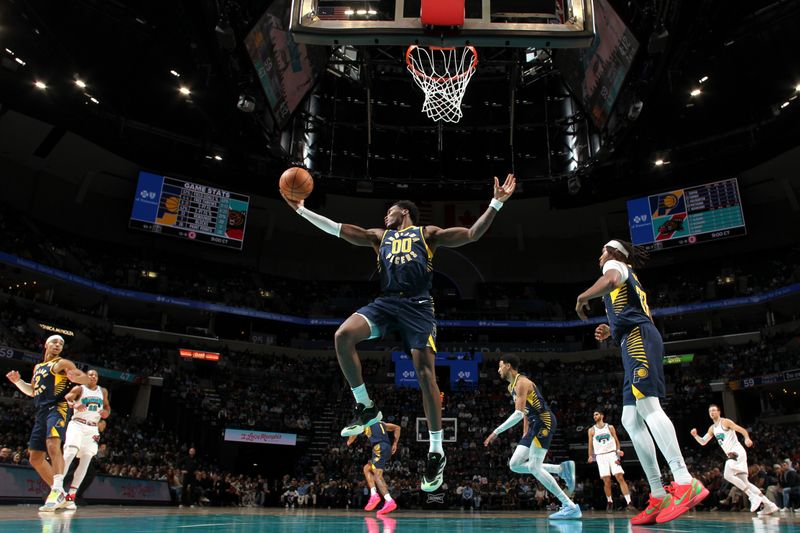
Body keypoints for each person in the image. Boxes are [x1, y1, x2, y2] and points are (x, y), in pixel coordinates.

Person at [282, 174, 516, 492]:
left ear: (403, 211)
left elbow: (472, 234)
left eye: (389, 211)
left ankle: (436, 451)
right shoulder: (379, 237)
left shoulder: (427, 234)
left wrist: (496, 203)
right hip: (386, 303)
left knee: (425, 374)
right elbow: (337, 229)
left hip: (418, 307)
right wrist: (300, 210)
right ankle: (365, 405)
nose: (384, 216)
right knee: (342, 336)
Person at [576, 240, 708, 525]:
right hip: (630, 340)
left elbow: (609, 278)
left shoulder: (615, 265)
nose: (599, 256)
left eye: (602, 250)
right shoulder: (627, 276)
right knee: (629, 418)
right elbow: (627, 310)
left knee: (649, 408)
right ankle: (659, 493)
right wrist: (610, 329)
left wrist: (582, 297)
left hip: (639, 340)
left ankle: (686, 481)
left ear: (612, 252)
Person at [483, 355, 580, 520]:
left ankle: (569, 506)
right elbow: (526, 412)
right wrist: (524, 433)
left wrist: (496, 432)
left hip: (544, 421)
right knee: (514, 464)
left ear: (508, 366)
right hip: (534, 425)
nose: (498, 370)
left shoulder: (522, 383)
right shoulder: (510, 387)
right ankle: (560, 469)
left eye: (500, 366)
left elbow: (518, 414)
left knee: (535, 467)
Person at [5, 334, 90, 511]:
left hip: (58, 407)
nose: (58, 344)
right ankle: (61, 494)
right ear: (46, 345)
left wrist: (77, 378)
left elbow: (85, 379)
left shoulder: (62, 363)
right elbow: (33, 392)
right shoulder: (38, 367)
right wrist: (18, 382)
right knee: (35, 457)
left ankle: (57, 490)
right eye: (54, 341)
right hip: (41, 411)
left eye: (61, 343)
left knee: (53, 444)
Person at [690, 404, 779, 515]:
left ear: (719, 412)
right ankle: (769, 505)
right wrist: (695, 435)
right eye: (710, 411)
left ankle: (752, 497)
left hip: (737, 451)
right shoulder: (712, 428)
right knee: (746, 482)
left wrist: (747, 438)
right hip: (732, 455)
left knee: (727, 474)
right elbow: (703, 442)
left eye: (713, 410)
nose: (711, 412)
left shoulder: (725, 422)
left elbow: (741, 429)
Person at [60, 369, 109, 509]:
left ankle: (71, 496)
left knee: (86, 460)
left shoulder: (103, 391)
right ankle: (56, 490)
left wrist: (106, 413)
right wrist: (74, 404)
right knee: (70, 453)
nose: (93, 376)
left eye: (96, 375)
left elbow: (107, 407)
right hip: (77, 424)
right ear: (85, 377)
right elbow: (68, 397)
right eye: (90, 374)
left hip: (92, 428)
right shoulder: (79, 388)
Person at [347, 421, 401, 515]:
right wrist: (395, 443)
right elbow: (397, 427)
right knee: (367, 468)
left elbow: (354, 434)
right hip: (386, 448)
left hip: (379, 447)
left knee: (377, 475)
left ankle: (389, 500)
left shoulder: (365, 423)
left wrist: (348, 441)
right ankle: (374, 494)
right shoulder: (381, 423)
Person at [587, 410, 633, 511]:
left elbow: (616, 441)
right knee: (607, 480)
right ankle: (609, 501)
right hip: (600, 456)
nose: (594, 416)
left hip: (612, 454)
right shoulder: (591, 430)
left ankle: (629, 502)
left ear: (602, 416)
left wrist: (618, 450)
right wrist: (590, 455)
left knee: (620, 477)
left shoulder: (610, 427)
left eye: (596, 414)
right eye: (594, 415)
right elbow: (590, 444)